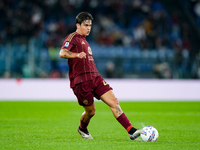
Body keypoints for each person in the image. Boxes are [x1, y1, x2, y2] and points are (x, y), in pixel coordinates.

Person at [59, 12, 141, 140]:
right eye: (86, 25)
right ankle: (82, 129)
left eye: (90, 25)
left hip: (95, 78)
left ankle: (131, 131)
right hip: (81, 81)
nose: (88, 28)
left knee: (114, 102)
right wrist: (76, 55)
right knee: (91, 111)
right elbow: (62, 53)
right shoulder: (72, 37)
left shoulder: (85, 41)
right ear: (78, 25)